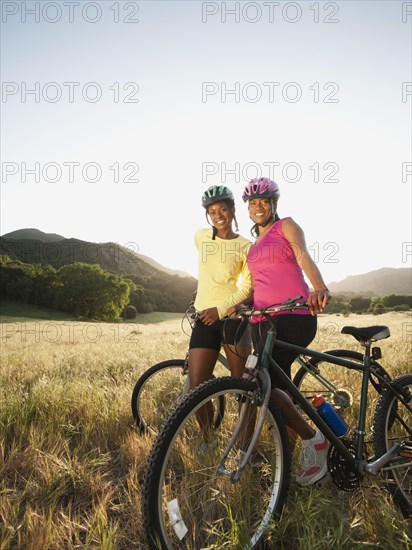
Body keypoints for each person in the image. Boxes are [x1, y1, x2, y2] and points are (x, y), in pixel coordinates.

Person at [242, 176, 332, 487]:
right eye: (253, 203)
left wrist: (319, 287)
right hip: (262, 321)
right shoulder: (253, 247)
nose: (258, 207)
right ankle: (291, 457)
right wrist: (239, 304)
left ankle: (315, 439)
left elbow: (304, 257)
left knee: (268, 385)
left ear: (274, 204)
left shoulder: (287, 227)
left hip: (293, 315)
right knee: (267, 387)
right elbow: (259, 285)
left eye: (263, 201)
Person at [189, 185, 252, 427]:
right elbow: (211, 274)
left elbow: (247, 287)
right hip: (204, 319)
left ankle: (245, 446)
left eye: (223, 210)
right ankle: (207, 439)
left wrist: (220, 309)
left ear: (233, 210)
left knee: (242, 388)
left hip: (232, 321)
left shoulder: (246, 246)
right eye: (213, 212)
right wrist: (203, 296)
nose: (218, 216)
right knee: (197, 387)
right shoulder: (201, 237)